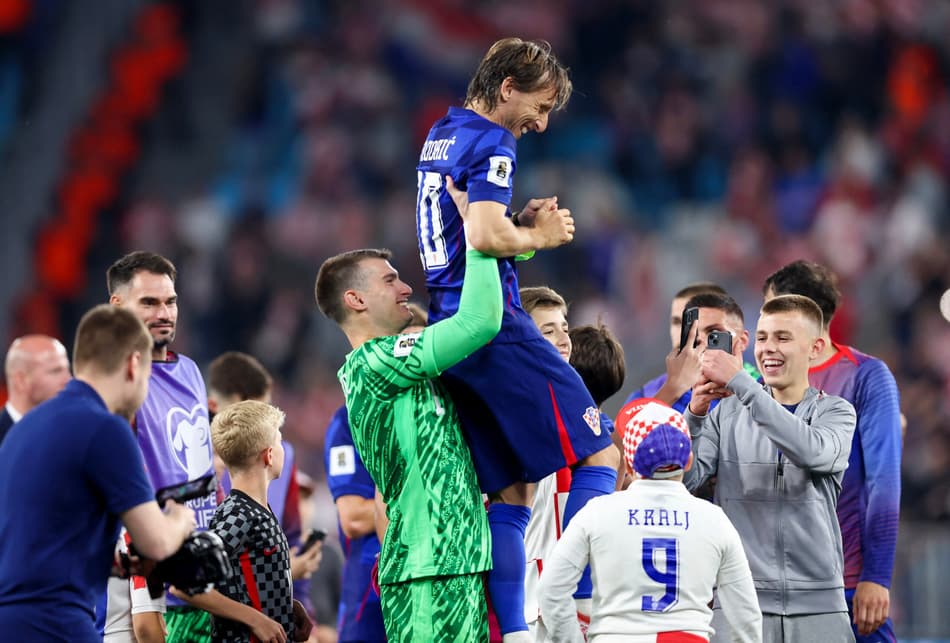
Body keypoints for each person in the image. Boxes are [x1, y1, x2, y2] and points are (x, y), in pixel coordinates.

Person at [414, 37, 619, 640]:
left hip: (449, 328)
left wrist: (516, 224)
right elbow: (481, 236)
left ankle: (516, 631)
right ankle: (572, 605)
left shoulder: (443, 131)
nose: (542, 121)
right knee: (599, 451)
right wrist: (544, 237)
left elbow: (468, 227)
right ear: (507, 88)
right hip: (496, 328)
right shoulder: (492, 139)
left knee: (511, 491)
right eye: (540, 104)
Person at [314, 191, 502, 642]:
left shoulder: (408, 370)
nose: (406, 289)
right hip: (426, 566)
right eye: (390, 280)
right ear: (356, 299)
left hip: (458, 561)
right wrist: (481, 234)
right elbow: (481, 321)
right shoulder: (374, 364)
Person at [0, 305, 196, 641]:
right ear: (134, 365)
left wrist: (112, 562)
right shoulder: (105, 428)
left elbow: (37, 538)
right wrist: (181, 519)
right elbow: (158, 542)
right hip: (56, 623)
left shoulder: (23, 428)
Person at [684, 294, 857, 643]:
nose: (768, 349)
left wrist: (743, 386)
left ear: (816, 348)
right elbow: (686, 483)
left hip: (819, 606)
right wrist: (696, 415)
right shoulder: (725, 414)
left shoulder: (836, 413)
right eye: (762, 338)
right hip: (739, 603)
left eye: (783, 337)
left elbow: (812, 452)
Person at [539, 400, 762, 643]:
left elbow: (551, 590)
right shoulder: (714, 520)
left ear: (630, 462)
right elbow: (746, 615)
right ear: (688, 460)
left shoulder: (597, 512)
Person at [763, 261, 901, 642]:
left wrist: (875, 576)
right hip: (778, 590)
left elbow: (883, 483)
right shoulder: (761, 384)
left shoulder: (865, 376)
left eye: (773, 312)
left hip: (848, 584)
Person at [107, 250, 218, 641]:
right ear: (117, 307)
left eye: (170, 301)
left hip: (199, 575)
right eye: (149, 303)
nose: (164, 313)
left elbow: (202, 472)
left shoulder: (188, 370)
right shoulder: (114, 384)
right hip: (144, 582)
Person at [320, 303, 429, 643]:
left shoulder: (446, 418)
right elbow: (352, 516)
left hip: (434, 582)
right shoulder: (350, 419)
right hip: (371, 594)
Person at [172, 399, 312, 643]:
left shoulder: (256, 510)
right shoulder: (238, 514)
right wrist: (256, 619)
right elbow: (184, 583)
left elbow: (246, 582)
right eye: (279, 441)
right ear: (269, 455)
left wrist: (287, 606)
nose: (282, 448)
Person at [208, 351, 323, 618]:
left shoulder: (283, 463)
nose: (254, 430)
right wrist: (283, 577)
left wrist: (298, 603)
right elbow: (197, 582)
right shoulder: (232, 507)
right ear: (214, 406)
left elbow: (292, 539)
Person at [624, 283, 727, 413]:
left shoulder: (753, 388)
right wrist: (673, 389)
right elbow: (623, 433)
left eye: (692, 323)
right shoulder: (643, 396)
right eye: (677, 322)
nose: (683, 333)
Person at [0, 333, 71, 444]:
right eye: (56, 371)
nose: (68, 380)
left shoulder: (71, 434)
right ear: (21, 381)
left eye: (67, 370)